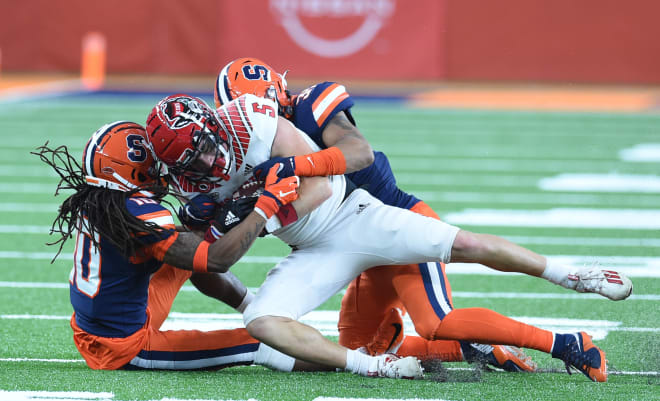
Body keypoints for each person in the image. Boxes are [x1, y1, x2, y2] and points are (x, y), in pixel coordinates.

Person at [146, 93, 631, 382]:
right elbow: (214, 260)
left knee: (455, 274)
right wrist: (239, 222)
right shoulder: (191, 184)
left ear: (218, 120)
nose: (209, 167)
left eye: (207, 151)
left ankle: (573, 277)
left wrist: (265, 210)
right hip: (312, 250)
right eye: (192, 164)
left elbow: (331, 175)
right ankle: (380, 368)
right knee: (265, 323)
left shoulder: (260, 121)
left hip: (361, 216)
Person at [213, 57, 539, 372]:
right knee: (358, 347)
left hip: (395, 226)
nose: (247, 124)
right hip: (350, 244)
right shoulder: (253, 144)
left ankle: (563, 342)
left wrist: (294, 168)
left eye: (249, 112)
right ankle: (471, 348)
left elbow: (358, 155)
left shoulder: (309, 109)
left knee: (436, 321)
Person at [32, 120, 306, 372]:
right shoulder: (138, 214)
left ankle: (254, 308)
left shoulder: (99, 201)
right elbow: (217, 260)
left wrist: (205, 226)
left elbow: (185, 246)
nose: (158, 169)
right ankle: (345, 360)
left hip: (97, 325)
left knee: (189, 249)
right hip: (125, 347)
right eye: (149, 163)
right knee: (262, 342)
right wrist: (265, 206)